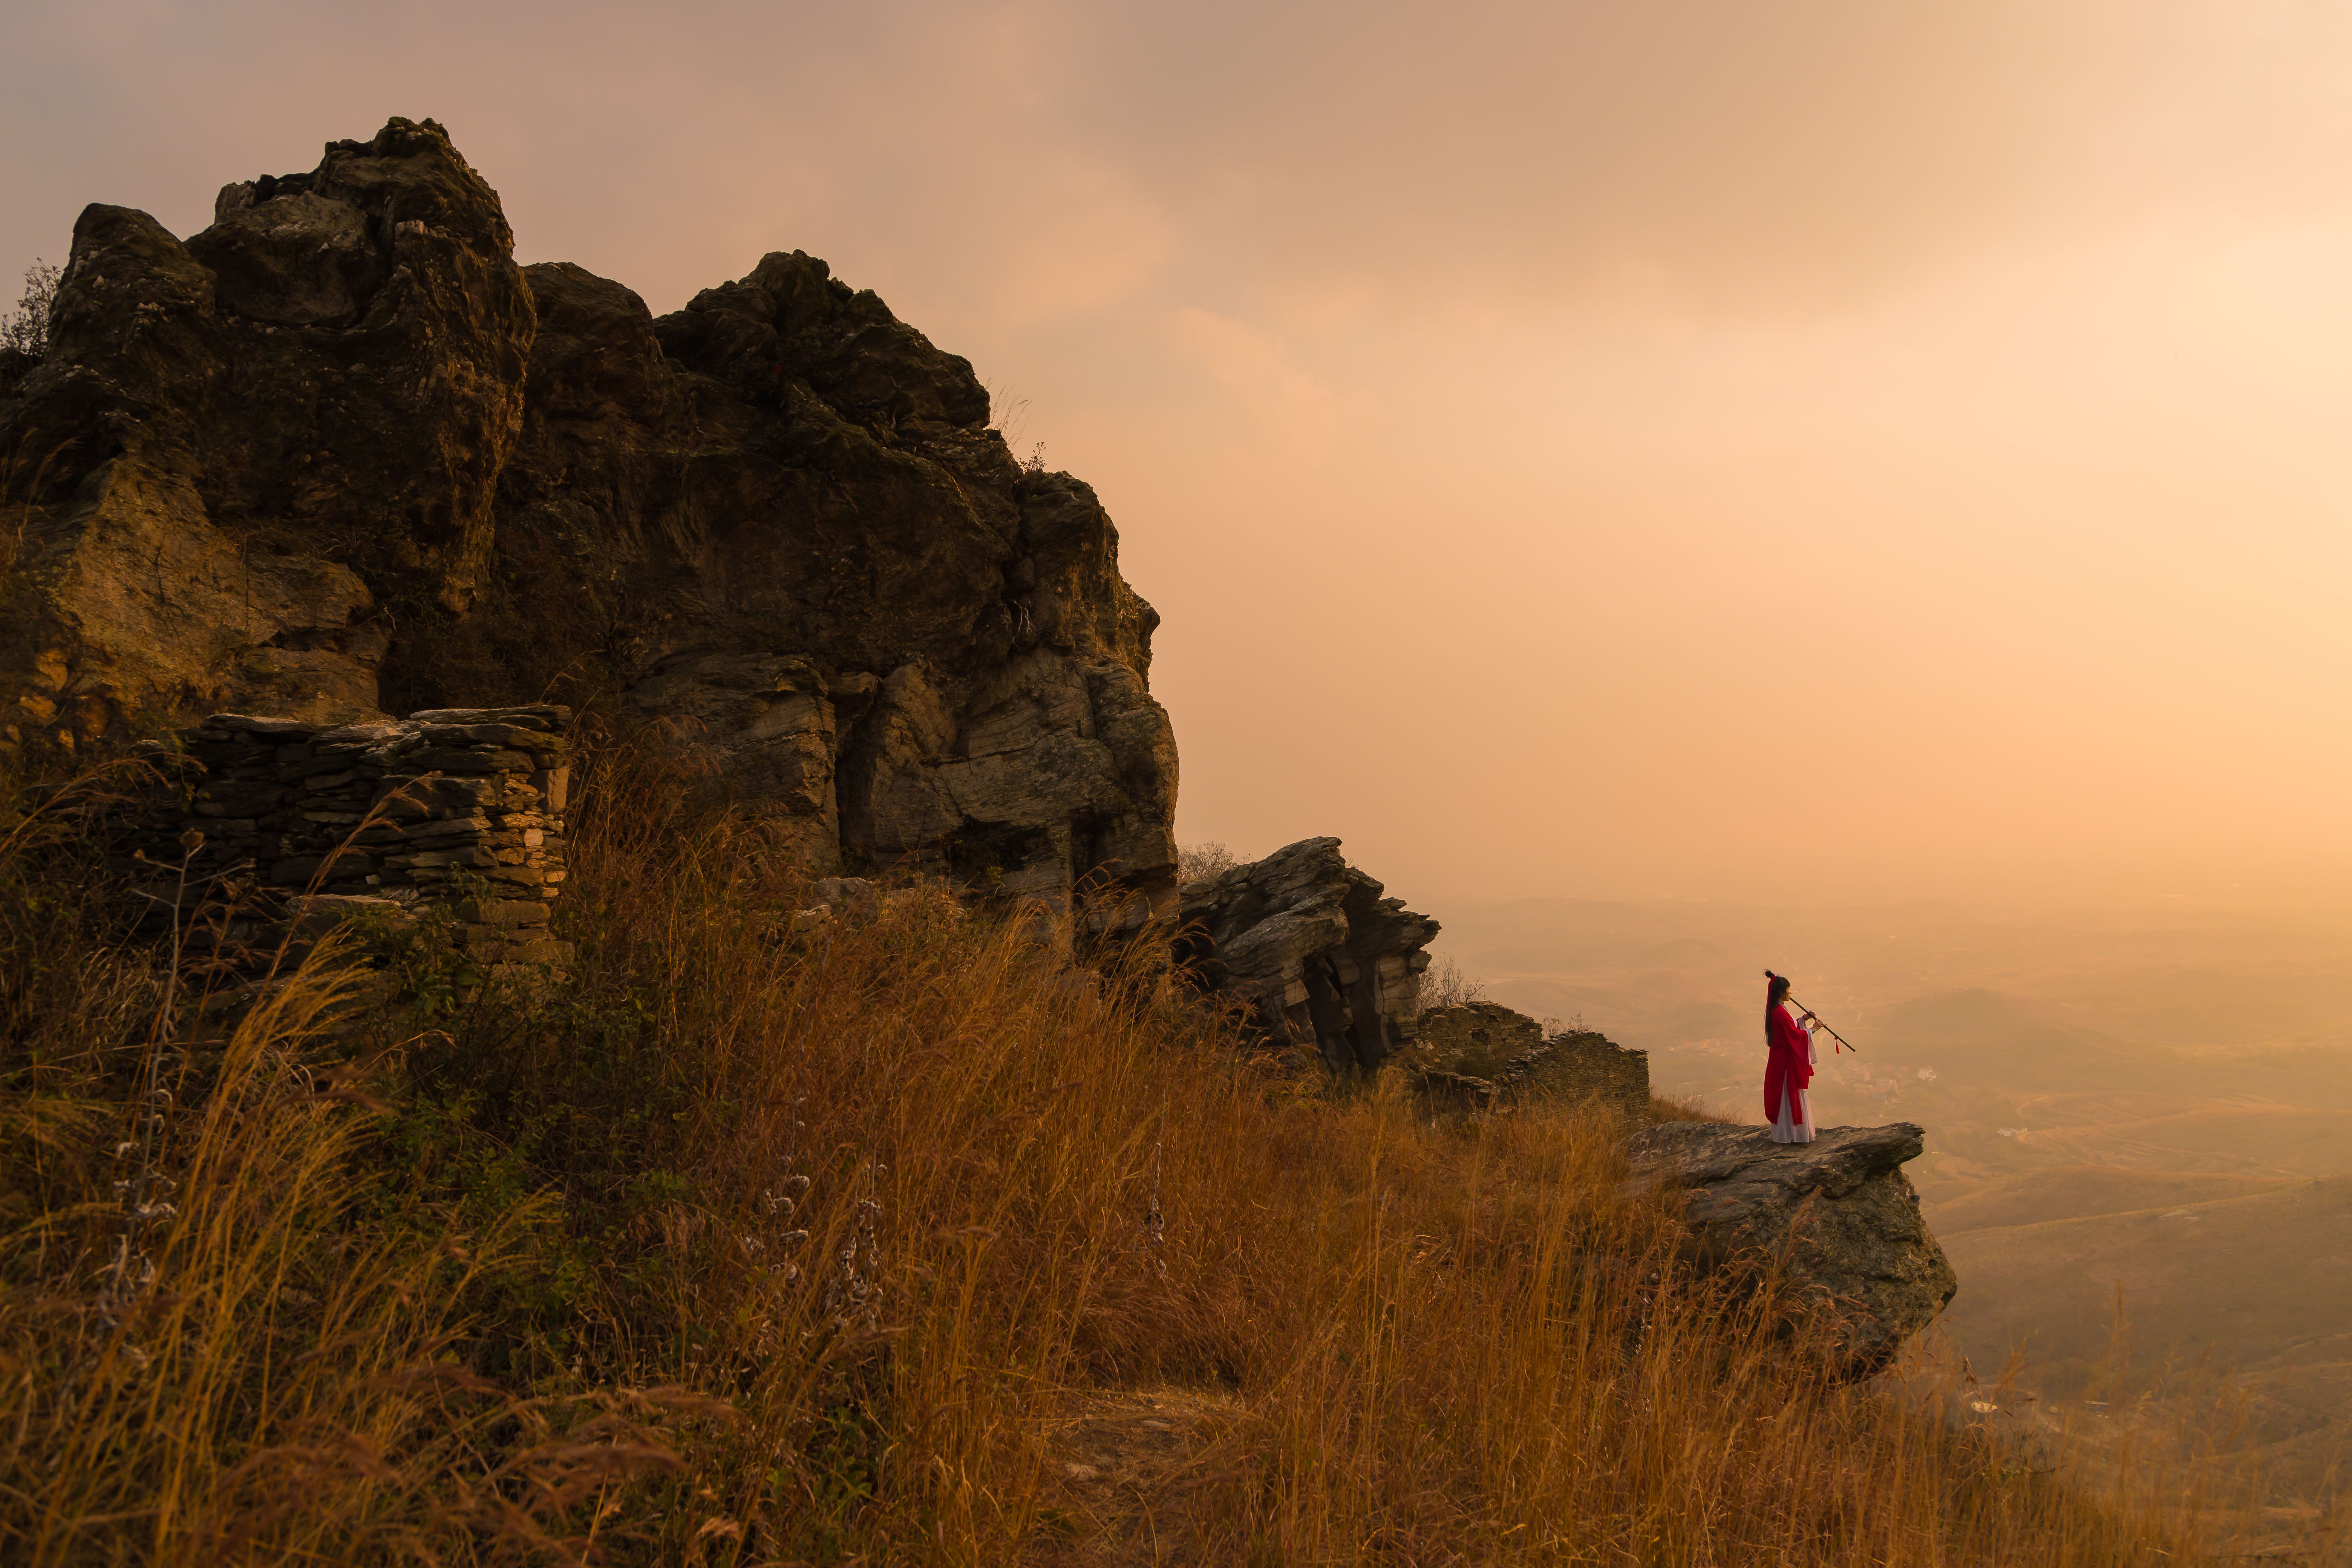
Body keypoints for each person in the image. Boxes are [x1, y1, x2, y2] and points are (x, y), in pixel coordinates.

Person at [1764, 972, 1817, 1144]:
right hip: (1785, 1063)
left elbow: (1791, 1026)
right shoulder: (1779, 1012)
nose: (1791, 993)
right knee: (1788, 1095)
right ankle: (1794, 1135)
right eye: (1788, 989)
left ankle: (1787, 1133)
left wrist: (1803, 1019)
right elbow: (1794, 1035)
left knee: (1785, 1097)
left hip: (1780, 1060)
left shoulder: (1778, 1009)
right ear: (1781, 992)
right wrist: (1813, 1030)